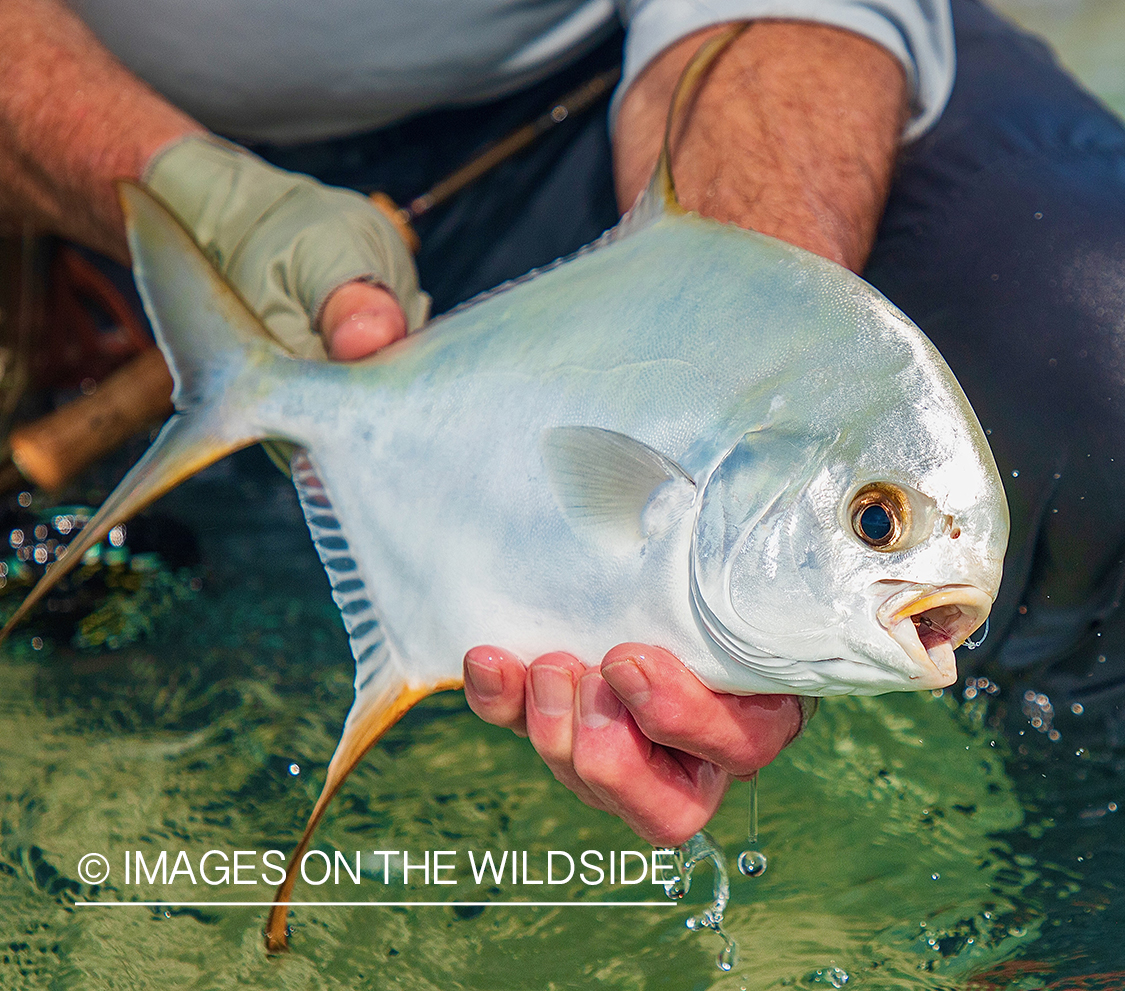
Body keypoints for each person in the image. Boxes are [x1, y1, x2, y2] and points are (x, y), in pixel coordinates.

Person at [1, 0, 1122, 849]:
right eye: (881, 521)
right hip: (90, 122)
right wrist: (158, 182)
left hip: (614, 87)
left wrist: (742, 324)